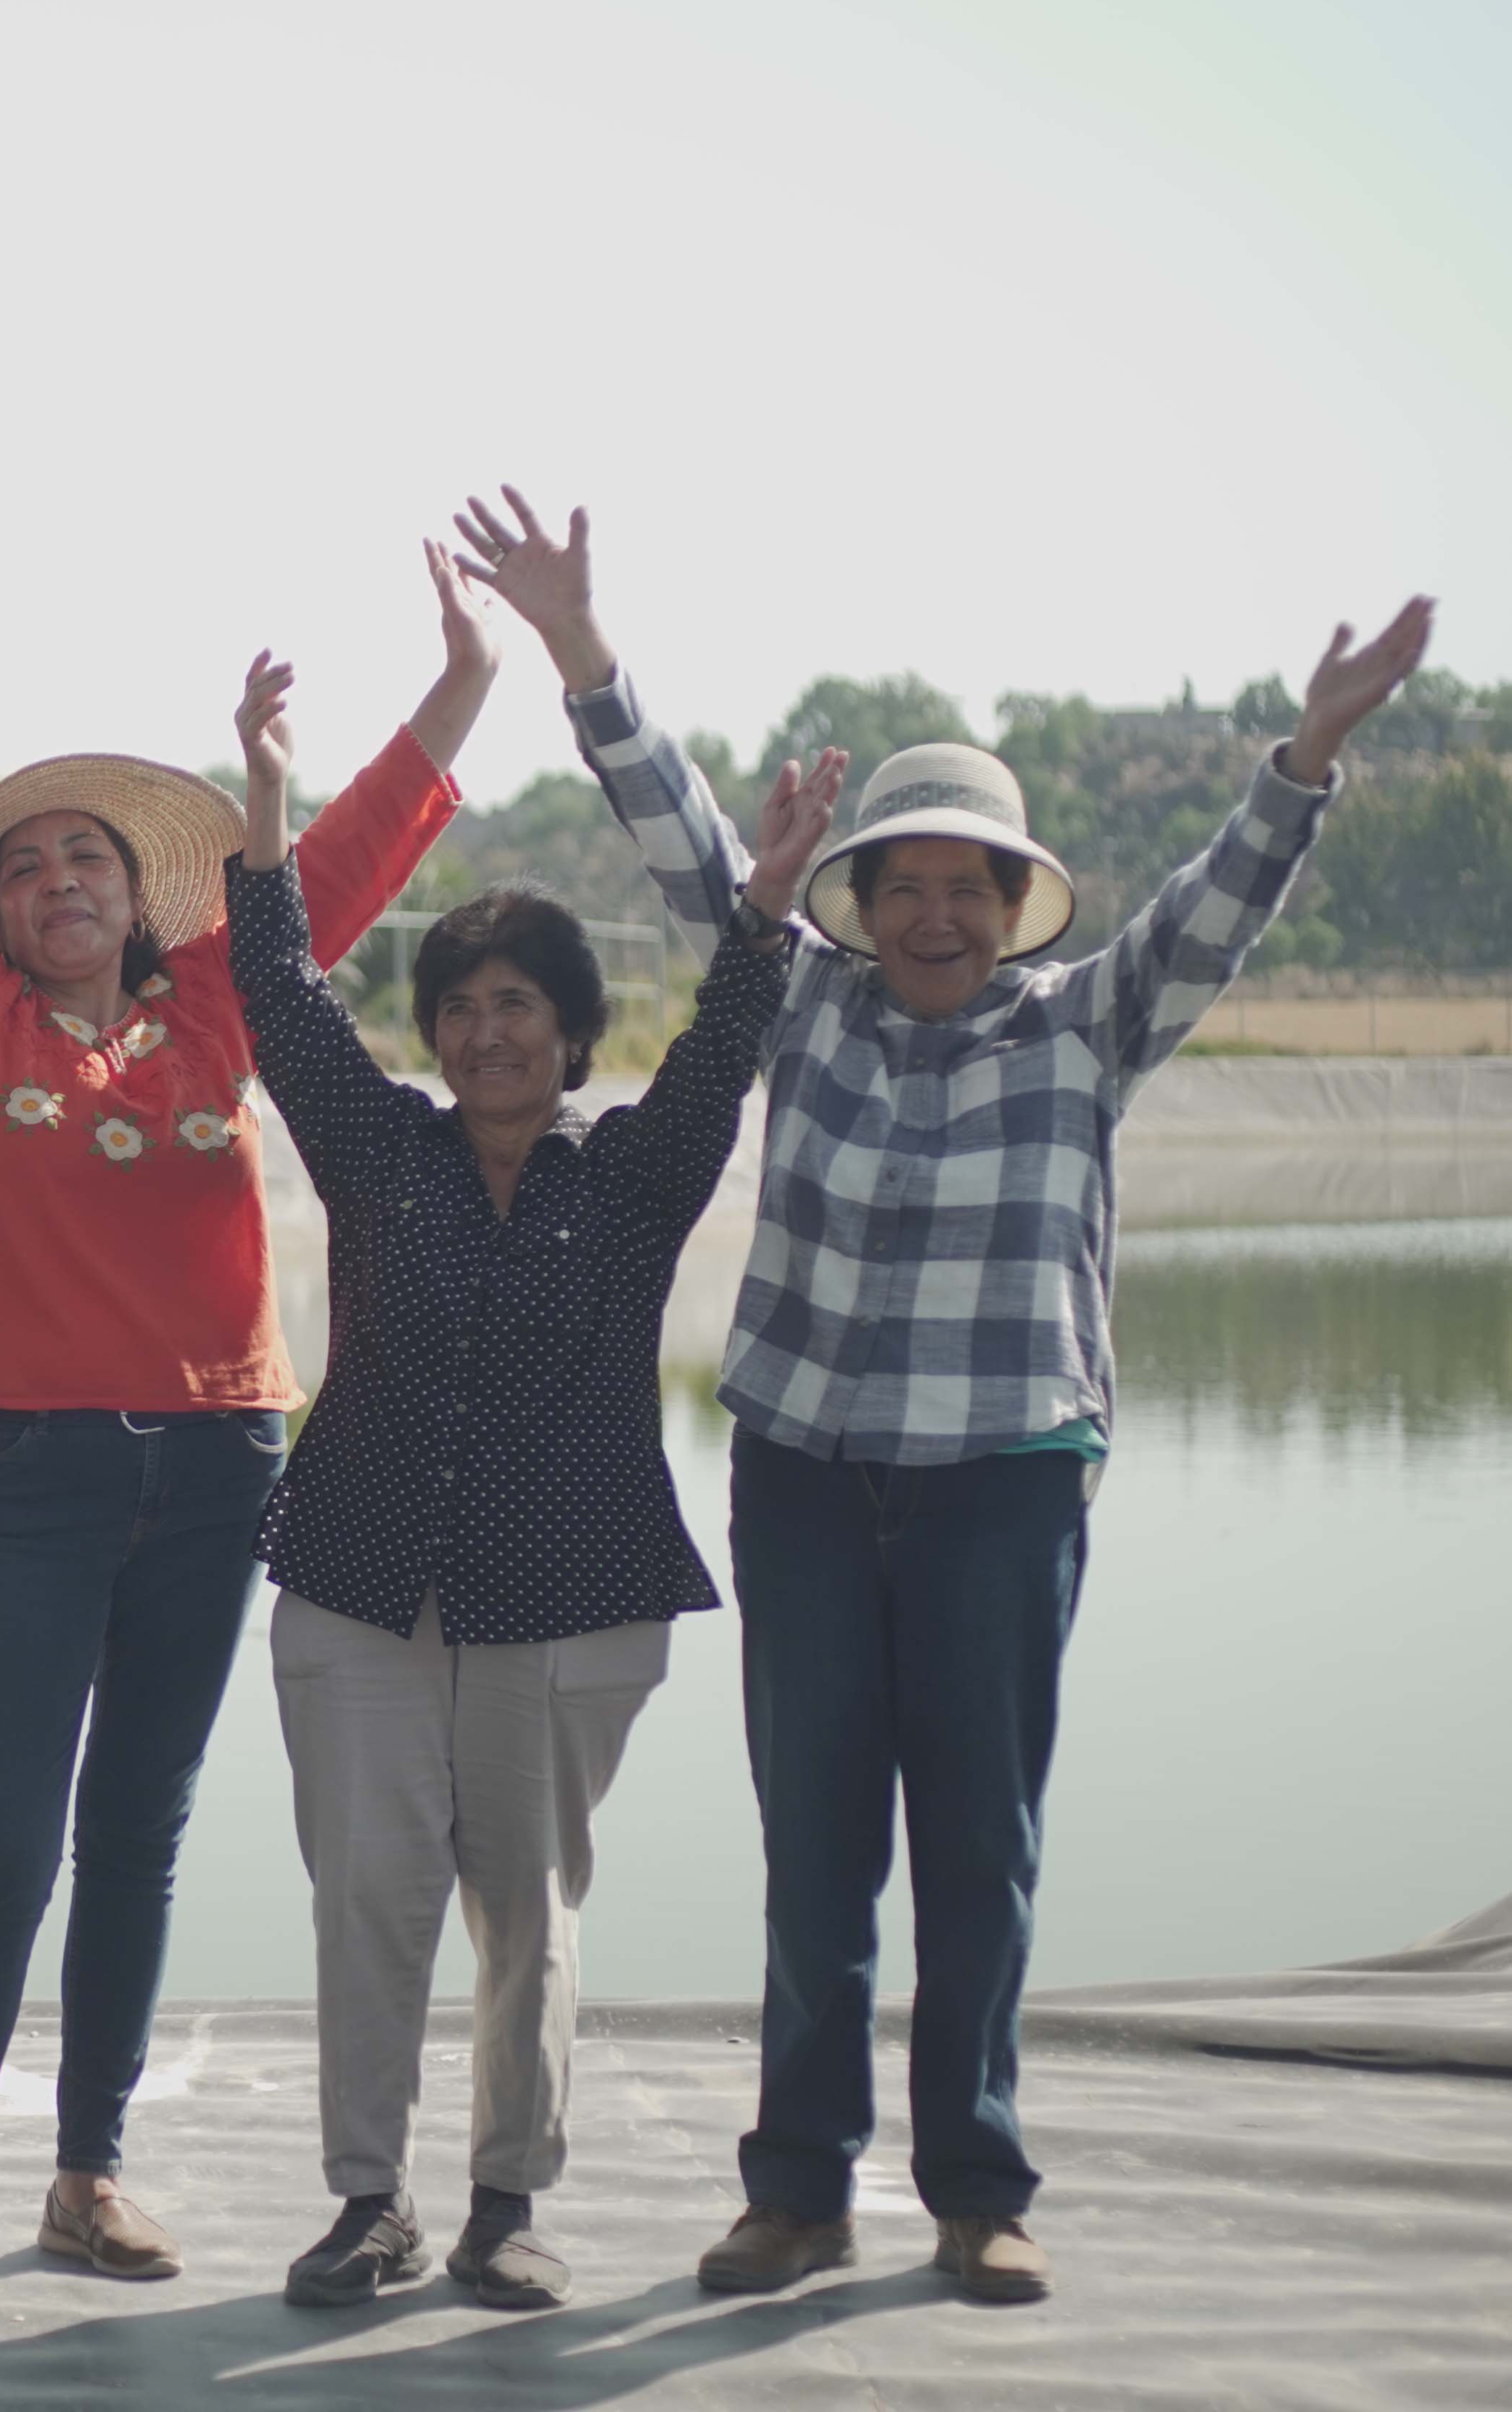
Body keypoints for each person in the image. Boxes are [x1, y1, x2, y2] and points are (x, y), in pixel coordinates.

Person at [461, 484, 1435, 2305]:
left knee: (978, 1845)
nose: (927, 913)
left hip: (1000, 1483)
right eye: (897, 884)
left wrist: (1305, 748)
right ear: (861, 901)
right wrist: (580, 651)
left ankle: (976, 2186)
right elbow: (678, 840)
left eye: (959, 888)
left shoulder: (1086, 1020)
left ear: (1009, 905)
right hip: (813, 1478)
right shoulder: (803, 1003)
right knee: (814, 1849)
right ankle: (797, 2187)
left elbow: (1218, 907)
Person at [0, 475, 488, 2289]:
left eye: (88, 858)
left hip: (224, 1454)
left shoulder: (227, 1005)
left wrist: (467, 680)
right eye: (26, 865)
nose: (58, 880)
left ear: (135, 894)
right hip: (26, 1463)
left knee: (138, 1830)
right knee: (4, 1819)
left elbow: (355, 854)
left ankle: (83, 2174)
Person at [221, 647, 821, 2312]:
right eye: (462, 1008)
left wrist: (763, 903)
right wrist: (266, 795)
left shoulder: (630, 1178)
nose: (488, 1033)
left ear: (570, 1032)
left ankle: (503, 2204)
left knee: (528, 1913)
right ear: (433, 1035)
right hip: (356, 1582)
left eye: (520, 1008)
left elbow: (722, 1046)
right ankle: (367, 2200)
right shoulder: (374, 1148)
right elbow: (272, 992)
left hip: (568, 1596)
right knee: (368, 1897)